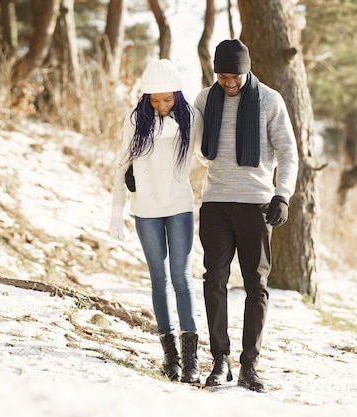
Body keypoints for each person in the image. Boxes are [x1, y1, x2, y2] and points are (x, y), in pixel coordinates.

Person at [193, 39, 299, 393]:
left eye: (235, 76)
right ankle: (219, 360)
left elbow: (288, 152)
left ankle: (249, 365)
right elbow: (185, 141)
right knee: (215, 281)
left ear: (247, 70)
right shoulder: (206, 99)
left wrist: (282, 195)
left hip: (256, 205)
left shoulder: (269, 100)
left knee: (256, 287)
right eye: (223, 77)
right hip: (216, 203)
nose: (229, 83)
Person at [109, 59, 203, 384]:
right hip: (146, 210)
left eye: (167, 99)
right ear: (146, 97)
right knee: (159, 279)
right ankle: (171, 357)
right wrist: (116, 211)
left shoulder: (191, 118)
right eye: (155, 99)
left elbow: (207, 153)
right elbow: (121, 165)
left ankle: (192, 359)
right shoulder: (136, 120)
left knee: (182, 277)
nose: (162, 106)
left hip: (179, 206)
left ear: (177, 94)